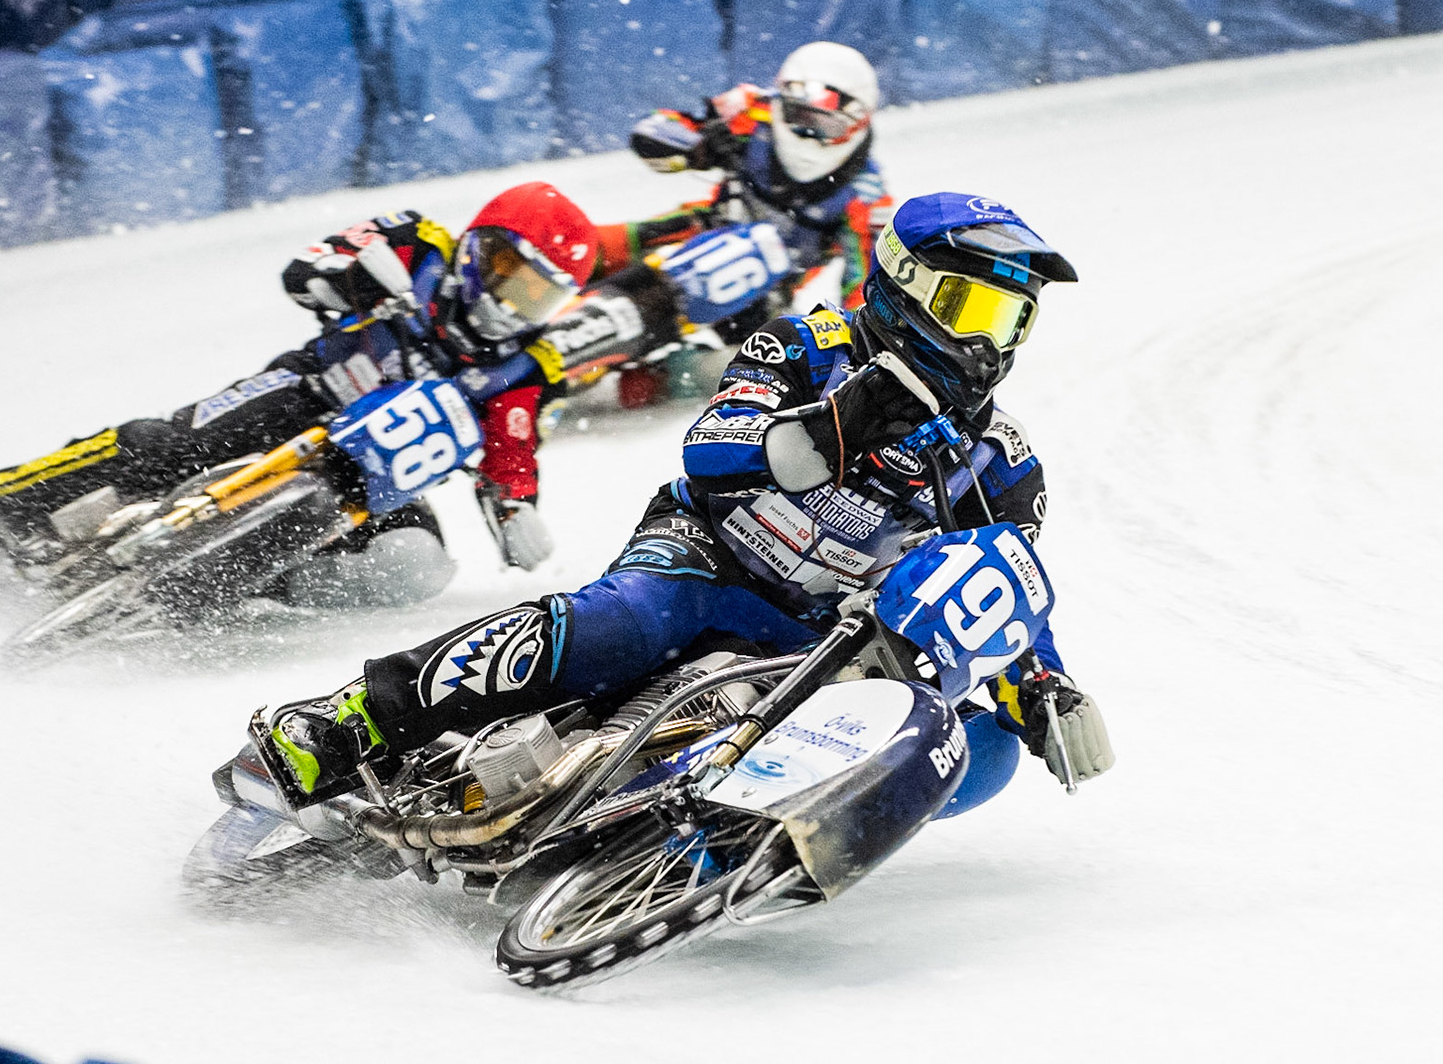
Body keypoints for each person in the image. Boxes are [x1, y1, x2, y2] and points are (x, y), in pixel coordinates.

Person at [256, 191, 1113, 816]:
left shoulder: (1001, 462)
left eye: (1010, 320)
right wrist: (834, 427)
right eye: (968, 307)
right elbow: (709, 450)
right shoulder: (807, 345)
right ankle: (356, 719)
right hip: (709, 555)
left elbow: (995, 589)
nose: (984, 342)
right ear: (904, 282)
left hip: (827, 637)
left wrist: (1046, 686)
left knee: (981, 752)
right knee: (623, 620)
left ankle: (730, 839)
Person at [0, 181, 600, 605]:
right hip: (305, 393)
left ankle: (258, 582)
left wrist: (515, 508)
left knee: (415, 566)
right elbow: (305, 271)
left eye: (536, 295)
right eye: (508, 273)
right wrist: (351, 280)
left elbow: (511, 449)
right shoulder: (415, 241)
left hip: (378, 473)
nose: (511, 302)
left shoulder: (527, 367)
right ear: (478, 245)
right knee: (166, 444)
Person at [604, 41, 895, 310]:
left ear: (855, 125)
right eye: (799, 116)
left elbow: (866, 291)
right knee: (597, 244)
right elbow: (656, 128)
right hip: (705, 228)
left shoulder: (867, 196)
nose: (808, 131)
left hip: (767, 297)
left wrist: (846, 333)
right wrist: (697, 147)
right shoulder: (753, 111)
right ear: (783, 102)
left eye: (825, 124)